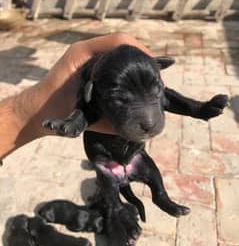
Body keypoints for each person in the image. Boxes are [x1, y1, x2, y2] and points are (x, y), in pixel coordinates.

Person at [0, 33, 153, 161]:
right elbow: (85, 111)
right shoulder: (89, 94)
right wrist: (21, 115)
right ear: (90, 89)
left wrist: (20, 114)